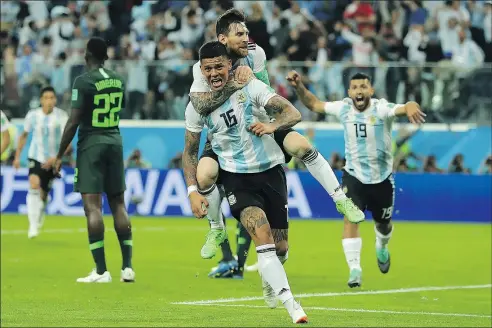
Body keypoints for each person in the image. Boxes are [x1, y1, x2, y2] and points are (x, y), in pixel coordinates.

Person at [188, 8, 364, 279]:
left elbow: (264, 92)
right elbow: (200, 104)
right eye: (240, 33)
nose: (247, 37)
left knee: (302, 146)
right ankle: (215, 229)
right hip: (225, 135)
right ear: (223, 39)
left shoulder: (255, 54)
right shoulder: (206, 63)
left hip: (262, 122)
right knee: (205, 174)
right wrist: (234, 84)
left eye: (247, 32)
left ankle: (341, 200)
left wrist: (271, 121)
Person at [183, 41, 308, 323]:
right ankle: (292, 305)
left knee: (280, 249)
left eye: (219, 66)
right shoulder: (197, 106)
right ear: (200, 71)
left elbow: (292, 113)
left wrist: (274, 126)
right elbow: (190, 152)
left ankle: (270, 279)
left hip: (270, 172)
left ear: (230, 65)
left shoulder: (249, 86)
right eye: (207, 69)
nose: (214, 73)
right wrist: (192, 191)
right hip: (236, 179)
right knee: (260, 233)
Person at [286, 70, 426, 288]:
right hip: (354, 176)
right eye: (355, 88)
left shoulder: (381, 109)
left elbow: (401, 108)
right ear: (349, 92)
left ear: (370, 90)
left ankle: (381, 246)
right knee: (350, 219)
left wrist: (410, 105)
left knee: (384, 225)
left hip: (382, 179)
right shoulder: (343, 109)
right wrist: (299, 87)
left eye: (363, 87)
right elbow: (314, 105)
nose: (359, 91)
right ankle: (355, 270)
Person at [43, 37, 135, 284]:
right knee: (118, 203)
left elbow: (73, 121)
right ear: (106, 56)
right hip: (114, 142)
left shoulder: (83, 81)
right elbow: (122, 107)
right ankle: (127, 267)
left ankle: (102, 271)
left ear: (87, 56)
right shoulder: (118, 79)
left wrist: (60, 155)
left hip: (91, 145)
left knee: (93, 208)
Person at [13, 87, 69, 238]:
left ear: (55, 100)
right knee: (33, 183)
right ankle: (32, 226)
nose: (49, 101)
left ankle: (40, 210)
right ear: (41, 100)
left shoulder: (62, 116)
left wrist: (57, 158)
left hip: (52, 160)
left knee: (43, 195)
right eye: (46, 98)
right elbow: (24, 136)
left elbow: (67, 140)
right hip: (35, 157)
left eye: (52, 98)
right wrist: (17, 156)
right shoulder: (33, 115)